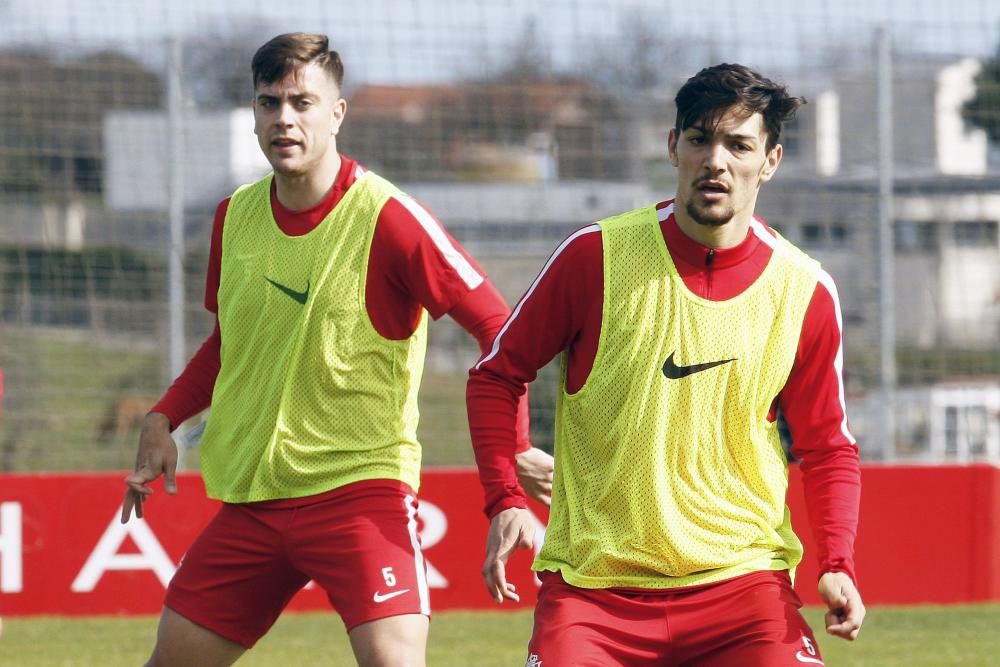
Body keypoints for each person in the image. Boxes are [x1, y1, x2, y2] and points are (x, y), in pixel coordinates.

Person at [121, 32, 548, 667]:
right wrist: (164, 416)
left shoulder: (389, 218)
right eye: (269, 103)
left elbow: (502, 333)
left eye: (302, 102)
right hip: (253, 503)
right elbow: (227, 343)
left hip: (361, 497)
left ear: (337, 113)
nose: (284, 118)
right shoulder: (232, 217)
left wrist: (507, 476)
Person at [467, 63, 865, 666]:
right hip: (594, 597)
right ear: (673, 145)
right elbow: (496, 376)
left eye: (739, 145)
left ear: (770, 162)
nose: (717, 160)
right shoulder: (595, 256)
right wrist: (505, 498)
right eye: (701, 138)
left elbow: (828, 445)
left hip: (743, 589)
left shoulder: (803, 289)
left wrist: (836, 563)